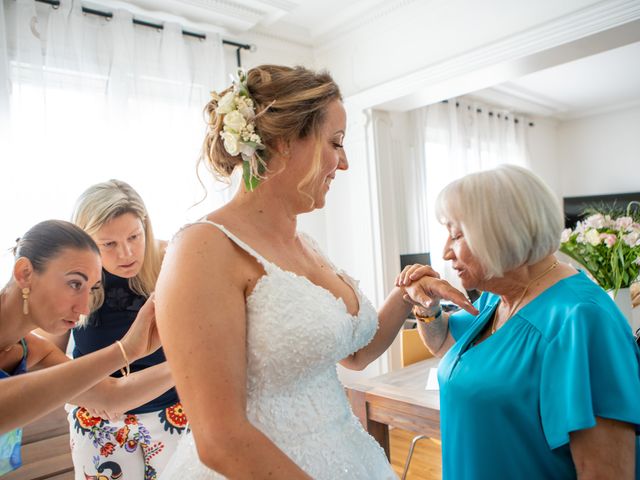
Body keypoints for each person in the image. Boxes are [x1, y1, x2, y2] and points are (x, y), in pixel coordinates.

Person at [154, 65, 477, 479]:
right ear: (285, 142)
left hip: (349, 455)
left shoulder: (306, 245)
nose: (343, 164)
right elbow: (220, 439)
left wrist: (407, 293)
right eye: (336, 143)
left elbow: (355, 355)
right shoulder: (204, 249)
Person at [397, 164, 640, 479]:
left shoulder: (581, 319)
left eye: (456, 234)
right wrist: (426, 305)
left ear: (501, 233)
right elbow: (445, 345)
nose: (445, 252)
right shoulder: (497, 297)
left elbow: (605, 472)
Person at [38, 180, 184, 479]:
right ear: (86, 243)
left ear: (146, 226)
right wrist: (93, 395)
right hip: (98, 419)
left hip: (173, 411)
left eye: (134, 236)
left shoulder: (173, 261)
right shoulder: (70, 281)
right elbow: (44, 358)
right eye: (109, 244)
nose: (127, 253)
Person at [0, 220, 162, 475]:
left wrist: (187, 358)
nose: (85, 308)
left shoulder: (33, 349)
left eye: (92, 289)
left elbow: (110, 395)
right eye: (75, 284)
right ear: (25, 273)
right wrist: (123, 350)